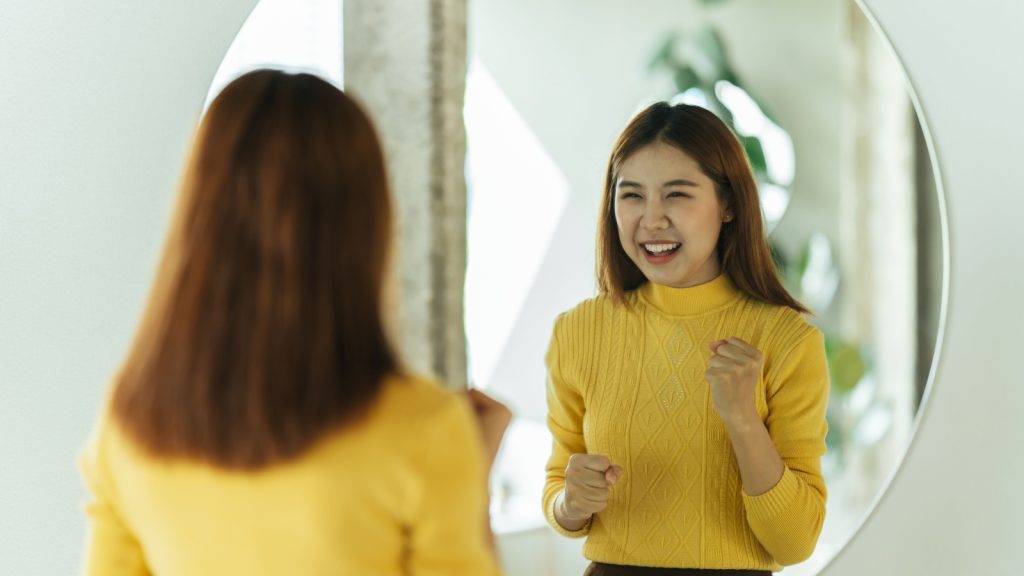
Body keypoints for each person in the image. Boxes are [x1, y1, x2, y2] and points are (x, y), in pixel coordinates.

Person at [79, 69, 510, 576]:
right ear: (369, 226)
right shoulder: (425, 430)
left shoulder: (130, 423)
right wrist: (468, 477)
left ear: (198, 217)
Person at [542, 102, 829, 576]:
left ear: (729, 204)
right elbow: (558, 490)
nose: (651, 220)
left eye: (676, 195)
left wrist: (742, 419)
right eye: (631, 195)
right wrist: (570, 503)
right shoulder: (577, 332)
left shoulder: (787, 341)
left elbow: (795, 542)